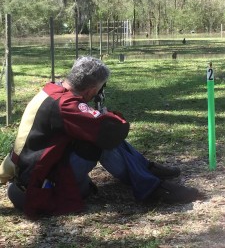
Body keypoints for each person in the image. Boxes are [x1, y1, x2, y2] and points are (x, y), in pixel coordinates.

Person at [0, 56, 203, 218]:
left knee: (98, 134)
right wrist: (104, 114)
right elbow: (111, 131)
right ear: (91, 90)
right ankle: (152, 187)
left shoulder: (50, 90)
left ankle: (147, 170)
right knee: (104, 140)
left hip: (29, 177)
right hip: (40, 188)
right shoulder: (67, 104)